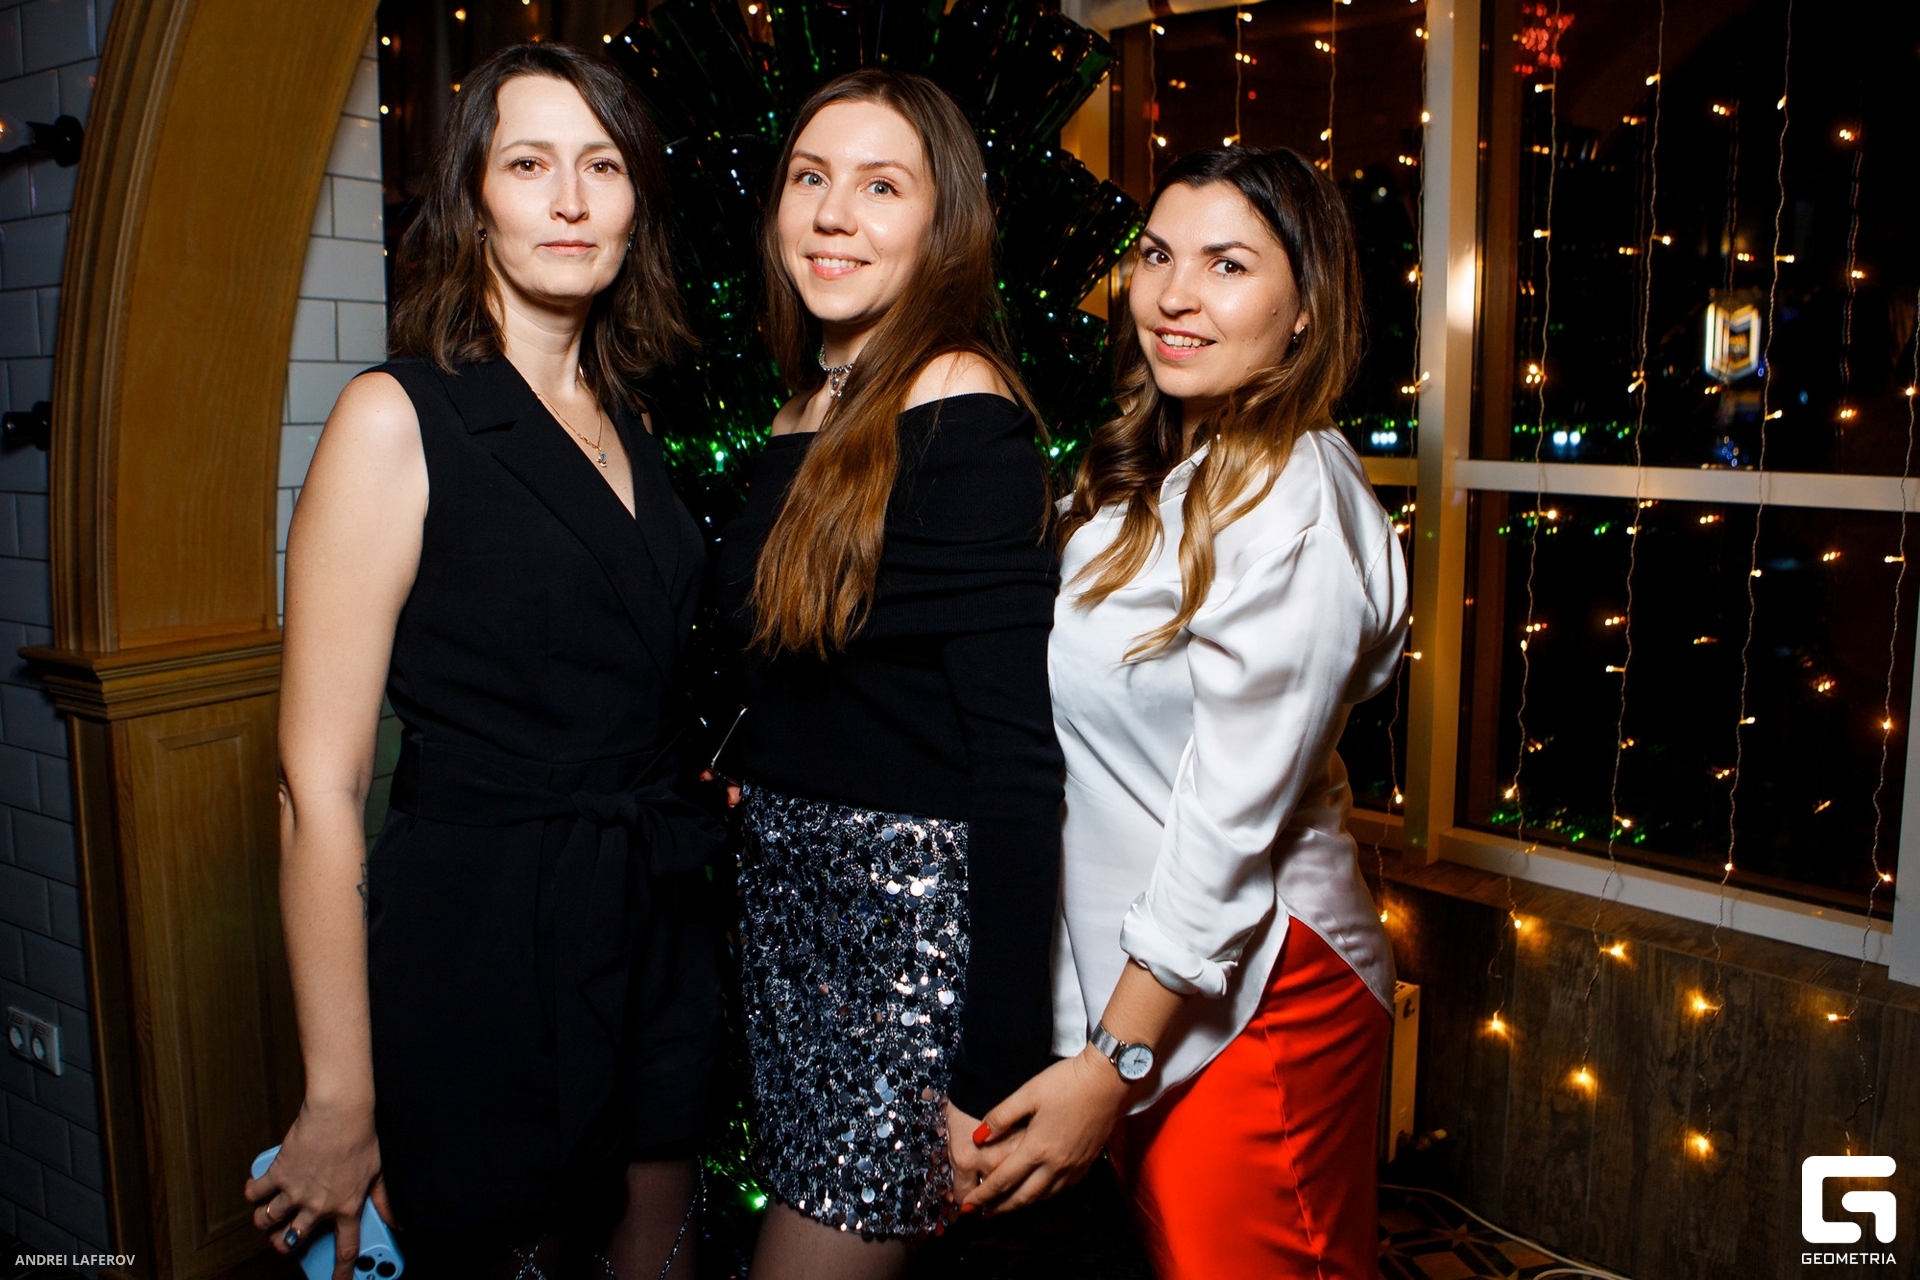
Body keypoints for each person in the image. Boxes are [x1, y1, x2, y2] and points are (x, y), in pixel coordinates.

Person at [247, 43, 722, 1280]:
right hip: (485, 935)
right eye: (528, 164)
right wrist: (340, 1094)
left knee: (659, 1241)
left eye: (602, 166)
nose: (569, 199)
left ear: (636, 203)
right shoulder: (397, 416)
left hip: (652, 908)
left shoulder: (631, 416)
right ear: (472, 200)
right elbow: (317, 786)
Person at [959, 146, 1410, 1279]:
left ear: (1305, 310)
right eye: (1159, 256)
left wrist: (1110, 1062)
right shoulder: (1154, 474)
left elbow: (1225, 827)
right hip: (1157, 996)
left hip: (1265, 997)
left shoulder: (1296, 500)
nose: (1174, 294)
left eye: (1228, 264)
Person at [708, 69, 1063, 1280]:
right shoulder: (804, 407)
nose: (832, 213)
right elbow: (804, 668)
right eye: (810, 178)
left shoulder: (962, 405)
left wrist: (993, 1064)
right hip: (788, 915)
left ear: (941, 221)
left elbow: (1017, 760)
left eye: (880, 186)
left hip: (897, 938)